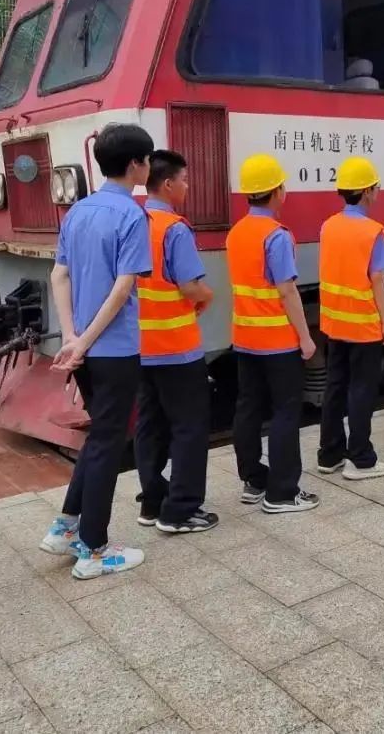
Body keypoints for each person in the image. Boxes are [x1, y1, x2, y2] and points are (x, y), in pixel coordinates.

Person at [39, 123, 154, 579]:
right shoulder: (131, 216)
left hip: (84, 351)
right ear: (134, 166)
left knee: (99, 436)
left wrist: (72, 337)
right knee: (109, 441)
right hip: (115, 349)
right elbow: (124, 286)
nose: (147, 166)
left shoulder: (78, 212)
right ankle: (95, 549)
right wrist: (85, 341)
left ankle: (66, 526)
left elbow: (58, 277)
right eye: (146, 160)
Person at [227, 154, 319, 514]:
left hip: (245, 337)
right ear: (277, 191)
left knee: (248, 408)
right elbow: (286, 291)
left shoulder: (237, 233)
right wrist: (306, 338)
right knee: (284, 412)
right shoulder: (276, 236)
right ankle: (282, 492)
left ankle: (253, 480)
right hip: (277, 341)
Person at [134, 150, 217, 534]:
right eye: (184, 180)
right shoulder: (174, 228)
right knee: (188, 426)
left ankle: (152, 502)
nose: (187, 186)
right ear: (167, 184)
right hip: (177, 346)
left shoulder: (135, 220)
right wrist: (208, 295)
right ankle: (180, 510)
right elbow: (188, 285)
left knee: (150, 424)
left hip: (140, 345)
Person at [317, 156, 384, 480]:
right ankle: (360, 458)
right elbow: (377, 279)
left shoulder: (328, 225)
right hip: (362, 324)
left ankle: (329, 453)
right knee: (361, 389)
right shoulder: (372, 232)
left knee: (335, 385)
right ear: (365, 192)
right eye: (375, 188)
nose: (377, 193)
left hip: (334, 322)